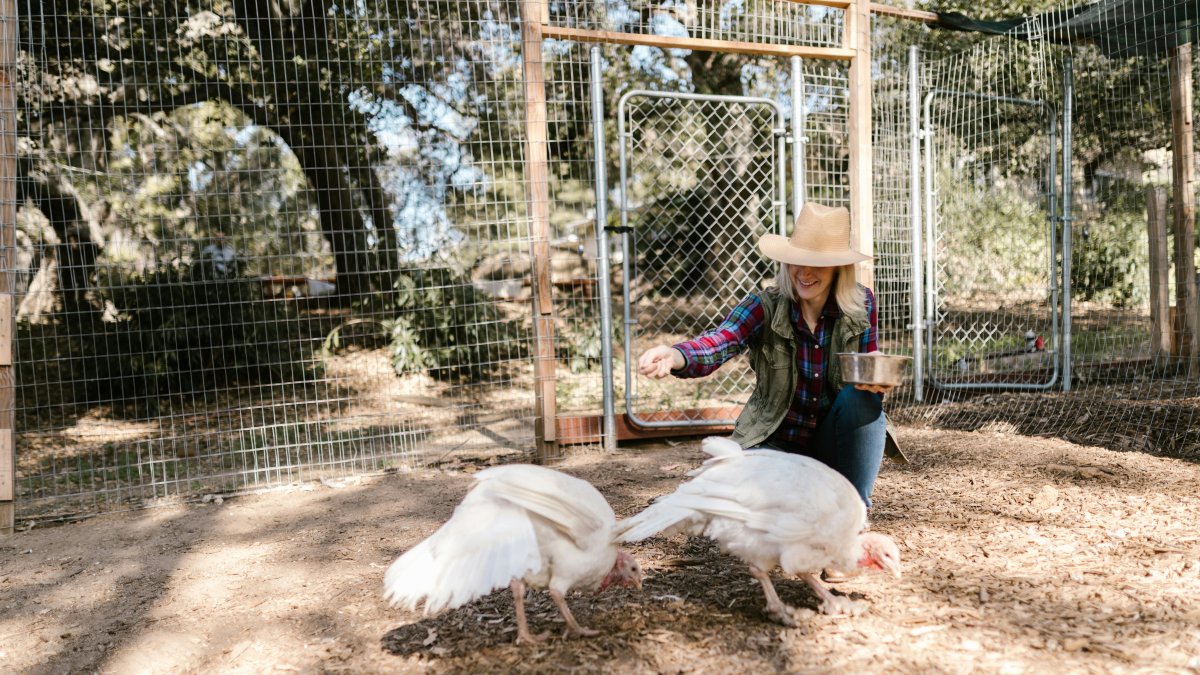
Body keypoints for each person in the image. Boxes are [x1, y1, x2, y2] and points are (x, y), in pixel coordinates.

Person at [637, 202, 892, 508]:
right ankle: (694, 499)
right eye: (797, 260)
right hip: (774, 443)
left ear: (839, 268)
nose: (804, 272)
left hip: (832, 445)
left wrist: (877, 378)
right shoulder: (764, 305)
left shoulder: (862, 304)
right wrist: (675, 355)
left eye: (818, 263)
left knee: (862, 398)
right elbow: (721, 341)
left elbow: (867, 380)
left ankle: (855, 510)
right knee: (745, 504)